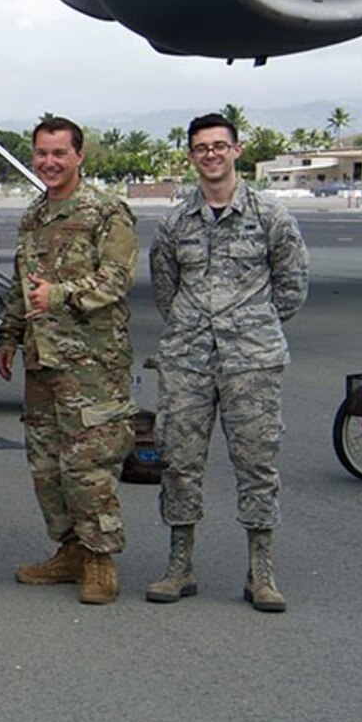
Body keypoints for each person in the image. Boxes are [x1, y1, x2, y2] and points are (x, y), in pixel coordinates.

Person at [147, 113, 309, 612]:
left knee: (257, 465)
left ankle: (261, 571)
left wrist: (251, 326)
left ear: (237, 151)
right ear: (192, 156)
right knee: (178, 462)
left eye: (220, 146)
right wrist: (195, 328)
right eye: (201, 147)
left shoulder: (270, 216)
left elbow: (292, 286)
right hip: (188, 360)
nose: (211, 155)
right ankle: (180, 565)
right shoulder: (175, 222)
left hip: (252, 362)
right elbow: (164, 289)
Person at [0, 117, 138, 605]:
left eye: (59, 154)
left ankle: (101, 560)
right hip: (42, 359)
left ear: (79, 156)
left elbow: (115, 282)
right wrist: (8, 334)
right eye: (41, 154)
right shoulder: (35, 215)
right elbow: (21, 283)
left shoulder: (106, 212)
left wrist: (59, 294)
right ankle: (71, 549)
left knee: (88, 465)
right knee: (46, 465)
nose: (49, 163)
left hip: (92, 365)